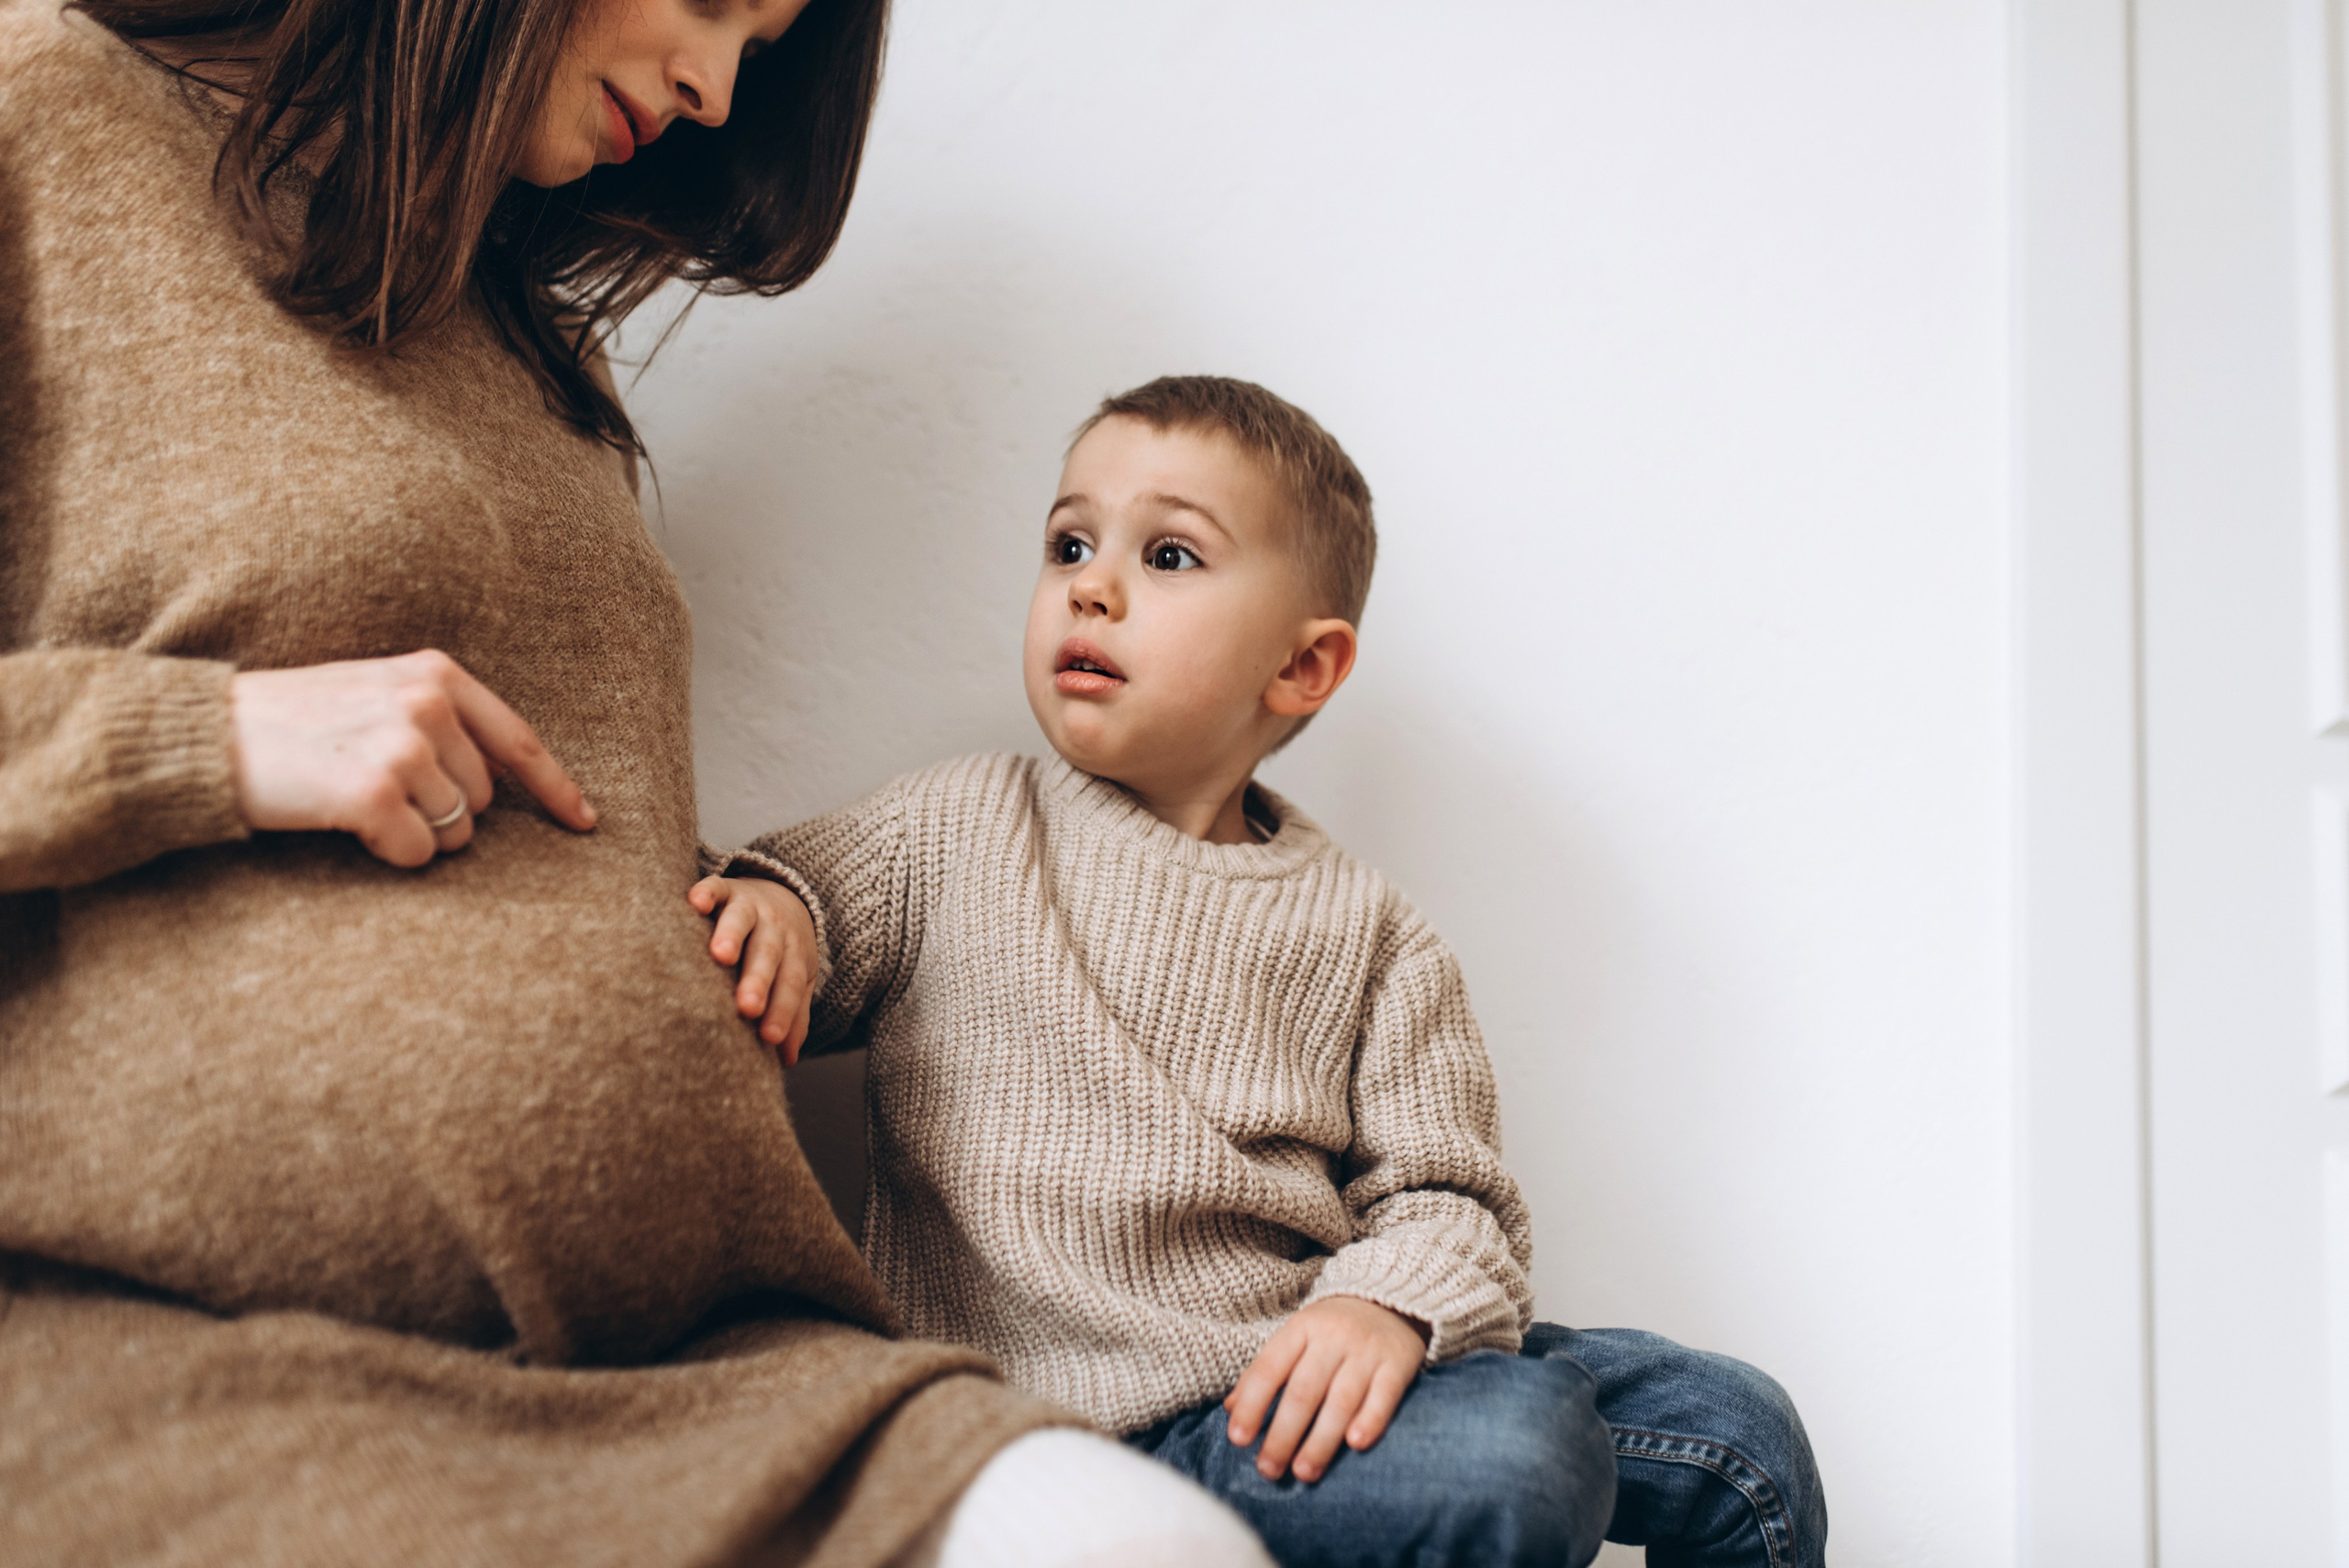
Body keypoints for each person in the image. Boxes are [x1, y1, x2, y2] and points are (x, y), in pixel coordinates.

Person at [0, 0, 1271, 1560]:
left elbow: (548, 806)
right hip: (178, 1332)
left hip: (706, 1350)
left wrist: (738, 910)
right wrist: (207, 740)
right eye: (715, 5)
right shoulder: (45, 107)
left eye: (765, 48)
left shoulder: (536, 339)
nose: (719, 89)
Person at [691, 376, 1831, 1568]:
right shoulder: (955, 826)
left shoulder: (1373, 932)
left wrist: (1385, 1304)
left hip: (1302, 1368)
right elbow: (774, 900)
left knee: (1741, 1430)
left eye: (1168, 555)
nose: (1091, 585)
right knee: (1522, 1450)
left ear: (1302, 668)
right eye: (1070, 544)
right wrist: (779, 904)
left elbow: (1449, 1198)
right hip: (1105, 1432)